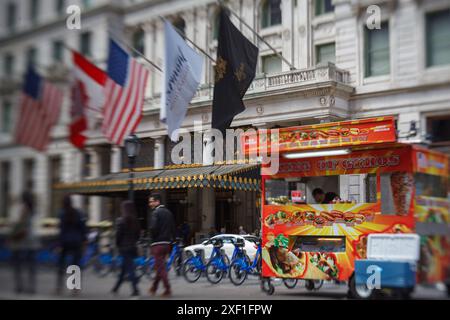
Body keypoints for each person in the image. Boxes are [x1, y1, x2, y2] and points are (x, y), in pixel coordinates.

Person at [9, 191, 40, 294]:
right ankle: (32, 288)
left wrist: (12, 234)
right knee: (31, 267)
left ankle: (19, 287)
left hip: (21, 242)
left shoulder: (23, 209)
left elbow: (20, 226)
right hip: (33, 242)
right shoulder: (34, 210)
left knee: (18, 265)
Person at [56, 195, 87, 294]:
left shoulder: (62, 214)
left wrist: (59, 244)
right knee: (76, 265)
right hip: (77, 242)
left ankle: (59, 287)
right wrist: (84, 241)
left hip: (65, 241)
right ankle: (75, 288)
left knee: (61, 265)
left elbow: (61, 230)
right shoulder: (78, 213)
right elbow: (83, 228)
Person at [148, 193, 175, 297]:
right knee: (160, 266)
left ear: (157, 201)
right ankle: (154, 288)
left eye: (151, 201)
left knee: (161, 268)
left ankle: (167, 289)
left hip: (157, 244)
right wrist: (173, 240)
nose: (150, 203)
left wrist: (152, 237)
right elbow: (173, 228)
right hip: (167, 244)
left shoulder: (156, 213)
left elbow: (153, 228)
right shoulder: (169, 213)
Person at [111, 200, 141, 297]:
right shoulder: (135, 221)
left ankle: (135, 289)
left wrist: (117, 244)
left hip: (124, 248)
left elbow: (118, 236)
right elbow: (138, 235)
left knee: (130, 269)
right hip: (132, 246)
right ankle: (116, 287)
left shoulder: (121, 221)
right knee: (125, 268)